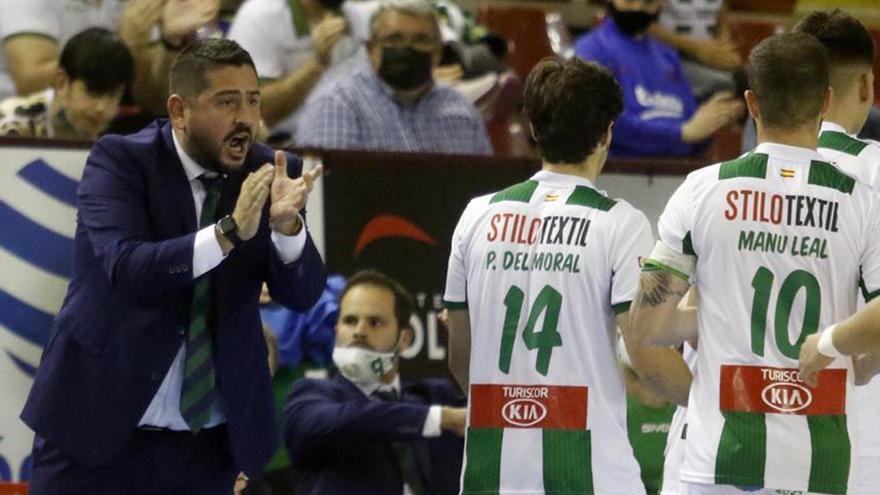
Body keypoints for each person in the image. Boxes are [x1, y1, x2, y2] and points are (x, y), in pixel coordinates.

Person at [20, 38, 327, 494]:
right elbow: (129, 268)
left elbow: (301, 295)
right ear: (180, 111)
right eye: (227, 101)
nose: (245, 117)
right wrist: (228, 232)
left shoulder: (271, 171)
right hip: (97, 433)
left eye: (253, 100)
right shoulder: (120, 161)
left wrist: (286, 230)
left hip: (205, 452)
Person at [627, 32, 880, 494]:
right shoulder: (860, 201)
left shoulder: (702, 189)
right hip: (820, 462)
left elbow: (645, 328)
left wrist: (715, 317)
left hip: (719, 455)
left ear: (752, 103)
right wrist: (844, 352)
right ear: (825, 101)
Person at [443, 56, 690, 494]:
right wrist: (719, 405)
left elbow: (462, 360)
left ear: (533, 130)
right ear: (607, 133)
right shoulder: (620, 223)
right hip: (591, 474)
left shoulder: (475, 216)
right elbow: (649, 360)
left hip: (491, 473)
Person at [793, 10, 880, 495]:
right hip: (853, 432)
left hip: (741, 431)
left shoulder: (722, 179)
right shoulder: (875, 171)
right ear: (866, 86)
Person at [283, 269, 467, 495]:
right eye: (350, 321)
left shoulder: (433, 398)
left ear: (405, 338)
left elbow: (499, 429)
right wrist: (441, 418)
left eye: (375, 322)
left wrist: (468, 347)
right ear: (336, 331)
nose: (359, 331)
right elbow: (351, 420)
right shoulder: (309, 399)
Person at [296, 0, 492, 155]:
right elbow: (325, 194)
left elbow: (485, 189)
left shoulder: (462, 110)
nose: (407, 48)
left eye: (420, 40)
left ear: (438, 52)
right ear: (371, 50)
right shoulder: (336, 106)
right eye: (394, 39)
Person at [574, 0, 742, 157]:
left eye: (648, 1)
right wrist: (682, 133)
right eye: (630, 0)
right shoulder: (591, 49)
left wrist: (716, 119)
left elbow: (693, 131)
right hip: (621, 171)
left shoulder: (667, 54)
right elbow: (601, 124)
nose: (638, 8)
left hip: (675, 171)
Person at [0, 0, 220, 115]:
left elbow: (152, 101)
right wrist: (123, 44)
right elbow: (30, 84)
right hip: (22, 130)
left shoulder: (132, 5)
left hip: (98, 124)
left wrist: (171, 41)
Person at [227, 0, 350, 132]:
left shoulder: (354, 13)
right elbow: (252, 110)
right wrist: (317, 64)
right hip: (281, 144)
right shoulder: (259, 15)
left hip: (345, 138)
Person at [0, 28, 134, 139]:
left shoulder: (116, 143)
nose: (102, 108)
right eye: (92, 93)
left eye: (113, 96)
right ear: (61, 82)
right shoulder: (10, 124)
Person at [650, 0, 740, 101]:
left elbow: (721, 13)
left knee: (747, 79)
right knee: (722, 84)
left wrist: (724, 47)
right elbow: (646, 26)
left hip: (707, 53)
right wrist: (698, 49)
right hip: (667, 56)